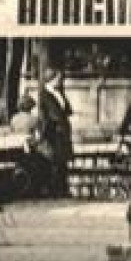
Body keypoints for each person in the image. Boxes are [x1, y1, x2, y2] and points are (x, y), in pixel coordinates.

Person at [35, 69, 74, 197]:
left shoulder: (59, 93)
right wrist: (60, 121)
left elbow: (67, 109)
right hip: (54, 131)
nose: (60, 80)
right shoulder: (45, 94)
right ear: (51, 79)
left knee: (63, 161)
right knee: (55, 161)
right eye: (58, 78)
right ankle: (55, 190)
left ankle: (63, 189)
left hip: (62, 131)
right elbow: (53, 114)